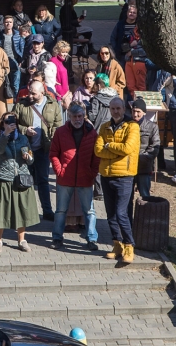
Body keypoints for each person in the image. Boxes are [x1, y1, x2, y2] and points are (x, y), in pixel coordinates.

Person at [94, 97, 140, 263]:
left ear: (123, 108)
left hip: (124, 176)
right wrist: (115, 150)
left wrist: (109, 146)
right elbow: (98, 150)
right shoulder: (105, 127)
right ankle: (117, 244)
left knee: (121, 213)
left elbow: (128, 148)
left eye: (118, 108)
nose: (115, 111)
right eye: (112, 108)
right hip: (106, 175)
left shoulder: (132, 126)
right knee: (111, 214)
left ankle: (129, 245)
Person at [49, 103, 100, 251]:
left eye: (80, 116)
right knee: (60, 210)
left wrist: (92, 173)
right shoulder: (60, 132)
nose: (77, 119)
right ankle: (57, 238)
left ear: (84, 116)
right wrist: (59, 170)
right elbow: (53, 154)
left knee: (89, 211)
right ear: (69, 116)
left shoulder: (92, 133)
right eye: (74, 116)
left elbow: (96, 156)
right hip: (65, 178)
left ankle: (92, 239)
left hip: (85, 178)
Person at [0, 113, 37, 253]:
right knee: (1, 211)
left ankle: (22, 240)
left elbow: (31, 158)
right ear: (2, 123)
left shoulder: (22, 138)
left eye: (13, 121)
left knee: (22, 211)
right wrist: (6, 135)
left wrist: (28, 158)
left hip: (21, 179)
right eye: (7, 121)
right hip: (4, 178)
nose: (11, 123)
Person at [13, 81, 62, 219]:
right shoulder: (21, 105)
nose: (30, 95)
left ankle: (47, 211)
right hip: (25, 149)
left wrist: (53, 141)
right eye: (29, 92)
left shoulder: (53, 105)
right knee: (24, 180)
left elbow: (58, 126)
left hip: (43, 149)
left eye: (33, 93)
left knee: (43, 181)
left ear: (42, 93)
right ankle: (24, 211)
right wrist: (24, 130)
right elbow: (12, 124)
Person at [131, 98, 160, 203]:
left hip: (143, 167)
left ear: (144, 112)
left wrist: (143, 157)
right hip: (128, 167)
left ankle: (145, 217)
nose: (135, 114)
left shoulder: (152, 127)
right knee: (126, 198)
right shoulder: (126, 124)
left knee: (145, 197)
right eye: (133, 111)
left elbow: (155, 146)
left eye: (138, 112)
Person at [0, 16, 25, 100]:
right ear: (3, 23)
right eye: (6, 22)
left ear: (13, 24)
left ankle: (16, 102)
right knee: (5, 84)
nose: (8, 24)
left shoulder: (17, 35)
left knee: (15, 84)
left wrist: (21, 61)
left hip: (15, 62)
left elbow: (22, 49)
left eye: (10, 22)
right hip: (3, 62)